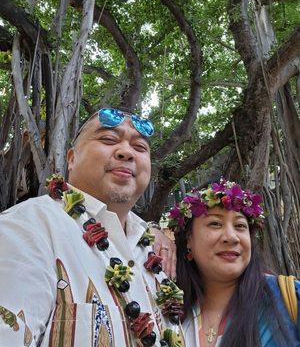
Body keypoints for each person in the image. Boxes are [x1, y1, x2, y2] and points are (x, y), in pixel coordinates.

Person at [0, 107, 182, 347]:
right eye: (108, 139)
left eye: (139, 148)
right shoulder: (29, 227)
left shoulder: (153, 250)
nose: (126, 152)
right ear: (71, 159)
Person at [166, 178, 300, 347]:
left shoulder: (290, 298)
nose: (231, 237)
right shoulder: (166, 307)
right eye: (215, 224)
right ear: (188, 239)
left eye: (240, 226)